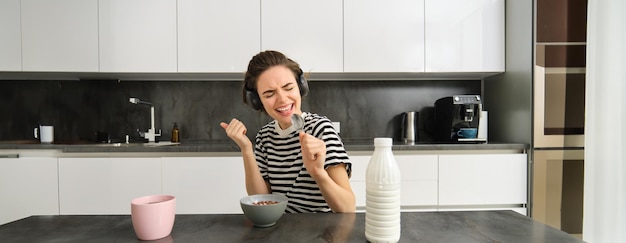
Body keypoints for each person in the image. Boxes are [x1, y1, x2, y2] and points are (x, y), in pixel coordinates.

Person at [220, 50, 355, 213]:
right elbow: (262, 198)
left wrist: (318, 173)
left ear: (301, 87)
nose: (282, 99)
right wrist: (246, 149)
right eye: (269, 94)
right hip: (281, 231)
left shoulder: (321, 129)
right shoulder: (265, 136)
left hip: (321, 233)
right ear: (257, 101)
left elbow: (348, 208)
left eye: (288, 88)